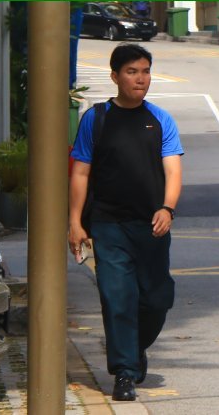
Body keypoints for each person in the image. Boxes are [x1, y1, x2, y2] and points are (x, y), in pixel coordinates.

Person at [68, 43, 183, 402]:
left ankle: (132, 348)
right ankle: (124, 373)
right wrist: (74, 221)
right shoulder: (97, 118)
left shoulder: (160, 119)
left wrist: (167, 208)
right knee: (117, 298)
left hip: (152, 225)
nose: (140, 79)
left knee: (156, 299)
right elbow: (81, 173)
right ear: (115, 76)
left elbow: (173, 169)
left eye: (146, 71)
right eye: (132, 72)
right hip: (108, 224)